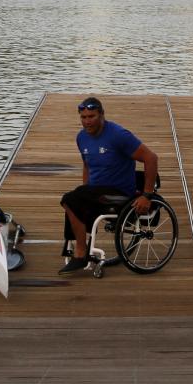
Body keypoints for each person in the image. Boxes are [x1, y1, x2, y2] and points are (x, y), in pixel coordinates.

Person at [58, 96, 158, 274]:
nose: (87, 121)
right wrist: (84, 189)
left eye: (92, 116)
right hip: (96, 191)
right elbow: (87, 165)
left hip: (119, 192)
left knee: (69, 199)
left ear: (102, 115)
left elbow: (151, 158)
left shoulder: (119, 135)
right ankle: (80, 246)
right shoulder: (81, 137)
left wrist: (147, 195)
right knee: (73, 199)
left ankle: (81, 253)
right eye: (83, 117)